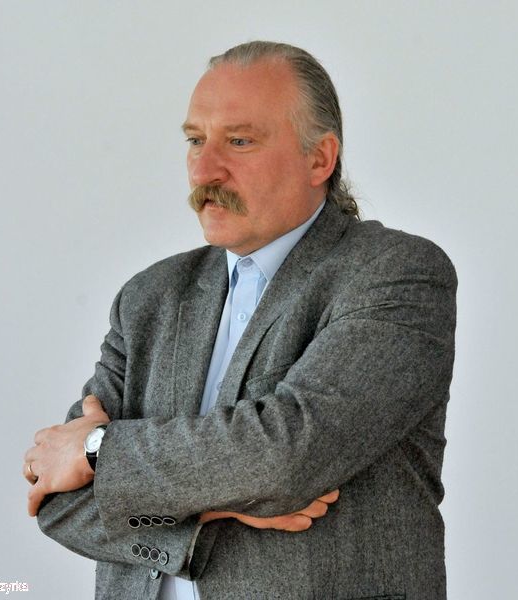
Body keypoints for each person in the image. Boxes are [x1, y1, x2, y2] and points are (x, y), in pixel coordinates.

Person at [23, 41, 457, 600]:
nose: (204, 169)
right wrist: (199, 524)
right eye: (195, 140)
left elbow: (285, 454)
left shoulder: (396, 274)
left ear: (320, 159)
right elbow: (60, 502)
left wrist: (95, 450)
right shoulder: (149, 297)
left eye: (240, 141)